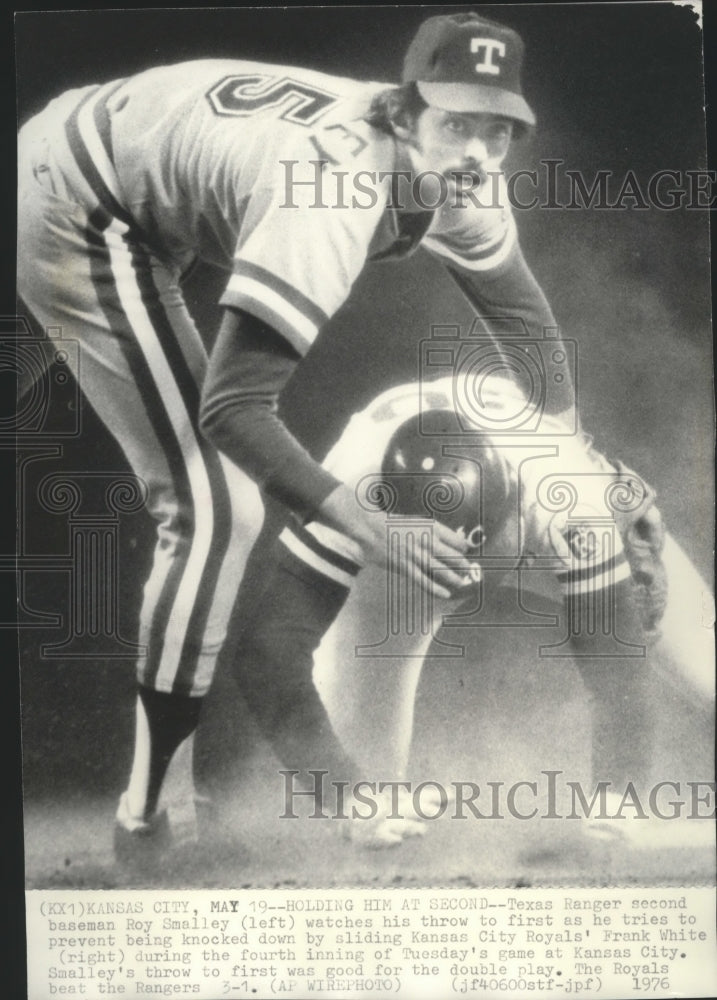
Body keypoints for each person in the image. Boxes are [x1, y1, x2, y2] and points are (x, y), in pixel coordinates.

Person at [17, 11, 568, 858]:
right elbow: (232, 409)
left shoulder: (464, 178)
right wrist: (369, 522)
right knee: (212, 508)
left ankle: (164, 809)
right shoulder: (336, 190)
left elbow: (525, 324)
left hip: (140, 166)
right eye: (456, 123)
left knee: (225, 501)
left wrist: (574, 474)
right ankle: (151, 816)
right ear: (399, 112)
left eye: (497, 130)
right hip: (78, 197)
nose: (477, 152)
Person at [236, 371, 714, 847]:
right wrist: (343, 796)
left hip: (536, 526)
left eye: (473, 556)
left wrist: (617, 807)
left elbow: (616, 665)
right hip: (395, 568)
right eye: (444, 558)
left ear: (511, 507)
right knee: (370, 807)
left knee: (708, 669)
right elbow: (266, 654)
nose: (467, 577)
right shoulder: (355, 494)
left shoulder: (566, 494)